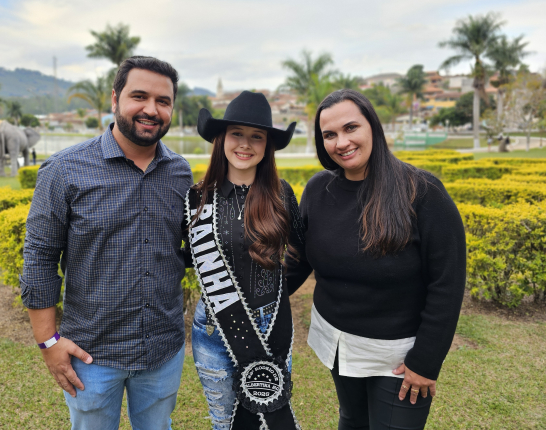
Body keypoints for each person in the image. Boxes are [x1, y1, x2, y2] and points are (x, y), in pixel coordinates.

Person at [21, 56, 192, 430]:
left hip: (163, 349)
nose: (151, 110)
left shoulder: (180, 172)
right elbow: (39, 257)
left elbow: (187, 248)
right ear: (115, 99)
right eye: (139, 96)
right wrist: (48, 342)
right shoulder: (64, 170)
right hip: (91, 355)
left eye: (163, 101)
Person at [286, 89, 466, 430]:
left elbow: (448, 282)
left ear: (373, 126)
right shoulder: (318, 189)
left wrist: (425, 361)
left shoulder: (422, 191)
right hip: (337, 343)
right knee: (352, 420)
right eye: (329, 135)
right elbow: (298, 260)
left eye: (351, 128)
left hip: (397, 356)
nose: (341, 142)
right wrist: (256, 299)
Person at [185, 91, 303, 429]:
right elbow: (188, 257)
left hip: (272, 325)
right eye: (236, 133)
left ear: (267, 146)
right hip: (214, 326)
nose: (245, 144)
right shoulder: (197, 198)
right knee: (225, 422)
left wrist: (278, 292)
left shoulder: (282, 195)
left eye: (257, 136)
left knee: (269, 420)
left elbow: (303, 251)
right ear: (222, 138)